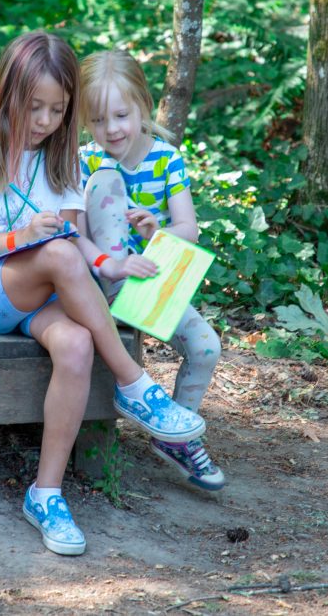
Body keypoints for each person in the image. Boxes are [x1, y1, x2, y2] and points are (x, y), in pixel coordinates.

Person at [0, 32, 206, 556]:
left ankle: (46, 493)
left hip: (33, 296)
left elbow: (77, 245)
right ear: (6, 92)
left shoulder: (60, 162)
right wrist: (24, 238)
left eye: (58, 110)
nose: (43, 121)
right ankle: (134, 385)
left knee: (77, 344)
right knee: (55, 252)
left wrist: (112, 260)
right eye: (34, 106)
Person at [73, 49, 225, 492]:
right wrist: (111, 258)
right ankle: (113, 300)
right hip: (103, 287)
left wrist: (159, 230)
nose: (111, 129)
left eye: (121, 115)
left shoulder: (166, 158)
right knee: (107, 182)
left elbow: (189, 230)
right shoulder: (87, 162)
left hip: (150, 286)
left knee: (206, 348)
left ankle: (176, 436)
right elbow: (75, 237)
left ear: (142, 104)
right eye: (98, 120)